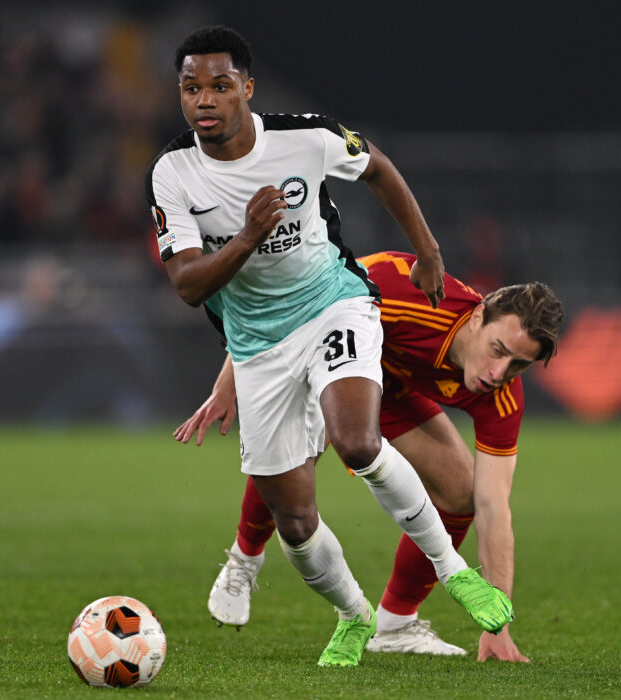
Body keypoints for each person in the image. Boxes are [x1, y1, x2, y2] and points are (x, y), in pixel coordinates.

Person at [147, 26, 511, 668]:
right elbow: (185, 285)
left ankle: (455, 573)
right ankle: (353, 615)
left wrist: (427, 249)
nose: (204, 99)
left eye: (219, 86)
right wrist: (246, 238)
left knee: (357, 440)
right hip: (258, 344)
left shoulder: (306, 137)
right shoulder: (173, 173)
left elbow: (379, 168)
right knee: (293, 520)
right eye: (191, 88)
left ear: (247, 90)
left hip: (332, 304)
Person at [177, 251, 564, 662]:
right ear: (476, 316)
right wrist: (227, 383)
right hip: (325, 347)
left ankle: (395, 623)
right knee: (293, 458)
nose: (498, 373)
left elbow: (494, 507)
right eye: (497, 349)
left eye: (518, 365)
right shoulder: (404, 296)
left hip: (391, 389)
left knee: (461, 491)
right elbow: (294, 303)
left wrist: (497, 626)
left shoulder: (502, 395)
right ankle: (244, 557)